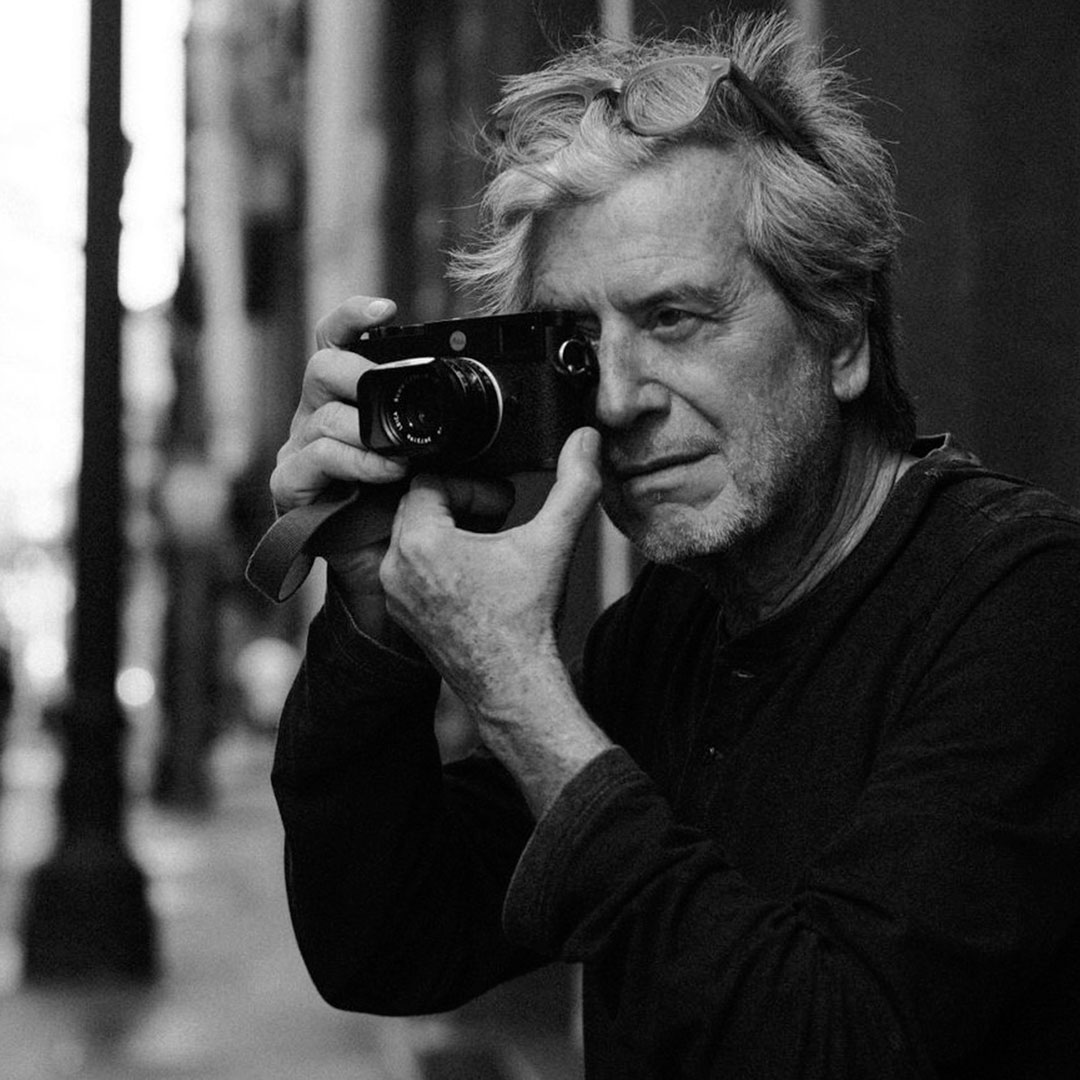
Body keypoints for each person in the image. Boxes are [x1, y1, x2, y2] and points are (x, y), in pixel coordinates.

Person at [266, 12, 1080, 1078]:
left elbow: (835, 1044)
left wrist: (519, 692)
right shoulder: (670, 626)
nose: (616, 399)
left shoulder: (1023, 604)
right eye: (577, 346)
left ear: (840, 337)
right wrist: (371, 618)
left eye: (676, 319)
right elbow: (385, 942)